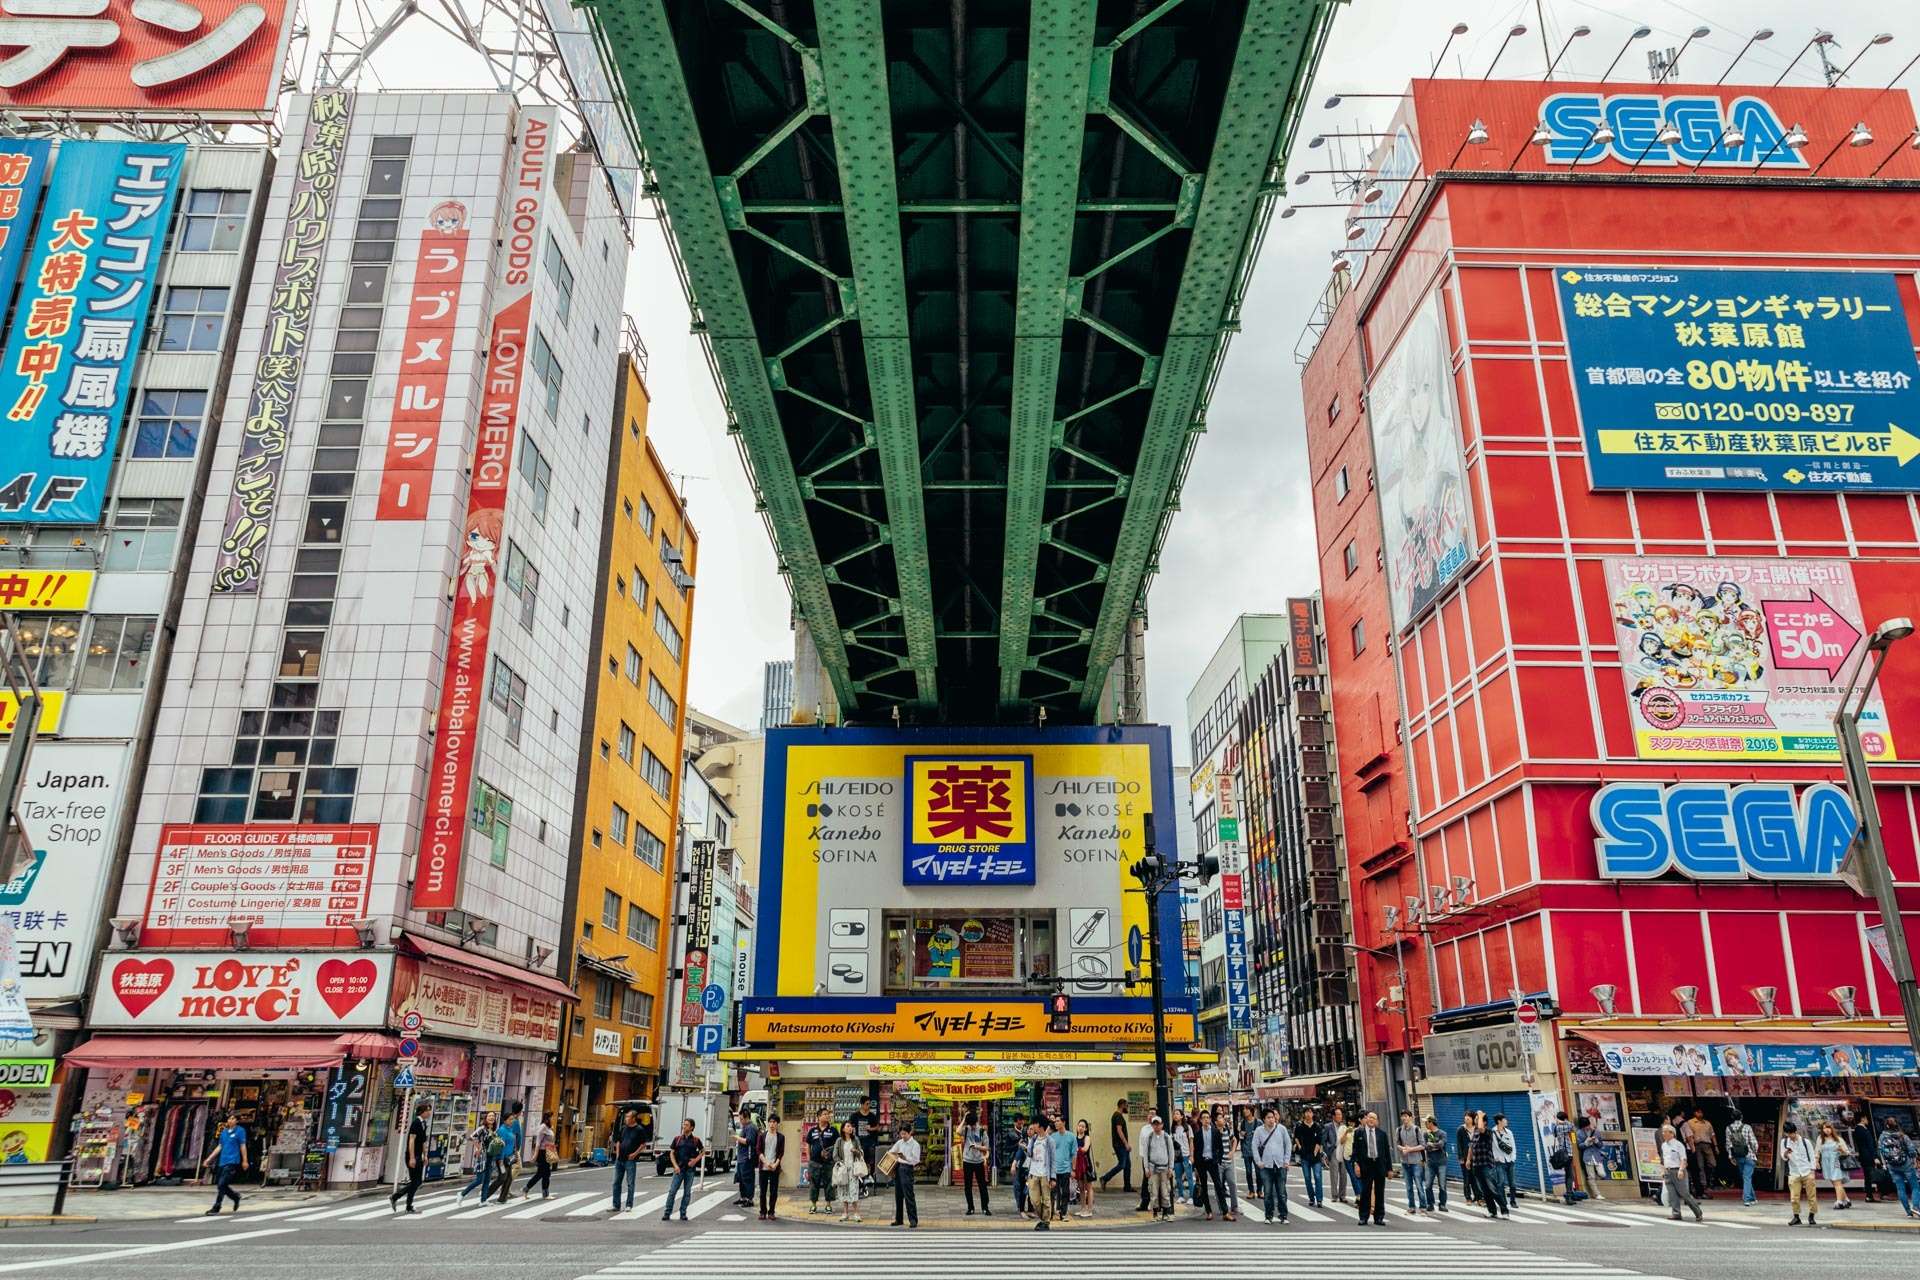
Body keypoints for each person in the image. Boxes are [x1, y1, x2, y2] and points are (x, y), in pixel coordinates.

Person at [201, 1111, 248, 1215]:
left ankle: (217, 1206)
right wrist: (209, 1159)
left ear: (237, 1121)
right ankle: (235, 1197)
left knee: (222, 1184)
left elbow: (242, 1146)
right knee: (221, 1185)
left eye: (233, 1119)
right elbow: (220, 1147)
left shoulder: (240, 1131)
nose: (230, 1120)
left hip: (233, 1160)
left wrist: (245, 1160)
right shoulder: (224, 1132)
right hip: (222, 1161)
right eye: (229, 1118)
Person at [1250, 1106, 1291, 1224]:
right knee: (1267, 1192)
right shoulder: (1259, 1131)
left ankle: (1283, 1216)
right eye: (1268, 1118)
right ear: (1264, 1119)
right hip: (1266, 1166)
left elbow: (1288, 1145)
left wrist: (1286, 1161)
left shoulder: (1281, 1129)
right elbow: (1254, 1146)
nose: (1271, 1120)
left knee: (1281, 1192)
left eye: (1272, 1117)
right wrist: (1258, 1162)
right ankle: (1269, 1216)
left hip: (1280, 1165)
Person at [1351, 1111, 1391, 1226]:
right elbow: (1355, 1151)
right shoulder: (1359, 1133)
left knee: (1379, 1192)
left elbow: (1386, 1153)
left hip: (1379, 1165)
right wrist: (1356, 1165)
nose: (1371, 1120)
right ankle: (1363, 1217)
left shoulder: (1382, 1134)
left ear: (1377, 1121)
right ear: (1366, 1119)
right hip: (1366, 1165)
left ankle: (1379, 1217)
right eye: (1369, 1117)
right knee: (1365, 1191)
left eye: (1374, 1118)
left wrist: (1389, 1169)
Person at [390, 1100, 431, 1213]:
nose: (429, 1112)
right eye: (428, 1110)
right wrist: (412, 1157)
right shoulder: (416, 1123)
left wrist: (425, 1155)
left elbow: (423, 1141)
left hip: (419, 1155)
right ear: (422, 1112)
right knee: (415, 1182)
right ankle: (396, 1197)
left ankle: (407, 1205)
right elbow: (411, 1141)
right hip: (412, 1155)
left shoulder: (423, 1124)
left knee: (417, 1182)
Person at [660, 1118, 704, 1221]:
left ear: (692, 1127)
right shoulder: (677, 1139)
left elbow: (703, 1151)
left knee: (687, 1192)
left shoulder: (696, 1140)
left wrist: (695, 1161)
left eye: (686, 1125)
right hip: (679, 1169)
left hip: (690, 1170)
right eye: (683, 1125)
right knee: (672, 1191)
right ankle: (667, 1213)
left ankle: (683, 1213)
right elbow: (671, 1153)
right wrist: (675, 1166)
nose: (684, 1127)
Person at [1660, 1123, 1704, 1222]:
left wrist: (1681, 1170)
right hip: (1668, 1171)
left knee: (1684, 1194)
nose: (1663, 1134)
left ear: (1672, 1133)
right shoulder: (1663, 1145)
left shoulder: (1678, 1145)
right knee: (1672, 1195)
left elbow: (1683, 1159)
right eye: (1663, 1132)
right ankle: (1676, 1213)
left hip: (1678, 1171)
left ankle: (1698, 1212)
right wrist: (1662, 1170)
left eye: (1665, 1132)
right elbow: (1663, 1159)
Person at [1877, 1115, 1918, 1219]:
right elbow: (1912, 1150)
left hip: (1892, 1166)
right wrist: (1914, 1160)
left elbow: (1880, 1150)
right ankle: (1916, 1207)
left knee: (1900, 1188)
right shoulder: (1902, 1136)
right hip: (1906, 1164)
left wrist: (1885, 1163)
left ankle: (1908, 1212)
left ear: (1886, 1125)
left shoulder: (1882, 1137)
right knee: (1915, 1186)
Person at [1192, 1109, 1229, 1220]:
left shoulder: (1215, 1132)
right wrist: (1196, 1167)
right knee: (1204, 1187)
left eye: (1208, 1118)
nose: (1206, 1120)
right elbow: (1196, 1150)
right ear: (1200, 1120)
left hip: (1212, 1162)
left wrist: (1219, 1160)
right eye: (1203, 1118)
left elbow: (1220, 1148)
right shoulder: (1197, 1134)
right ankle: (1208, 1211)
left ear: (1210, 1119)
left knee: (1218, 1186)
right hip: (1202, 1162)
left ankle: (1225, 1212)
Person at [1781, 1120, 1818, 1225]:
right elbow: (1783, 1158)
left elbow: (1812, 1157)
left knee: (1811, 1196)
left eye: (1791, 1133)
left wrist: (1812, 1172)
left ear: (1795, 1131)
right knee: (1794, 1197)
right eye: (1787, 1133)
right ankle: (1796, 1217)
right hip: (1794, 1172)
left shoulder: (1806, 1142)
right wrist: (1786, 1153)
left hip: (1807, 1171)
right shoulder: (1784, 1142)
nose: (1790, 1135)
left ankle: (1811, 1216)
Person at [1470, 1113, 1506, 1219]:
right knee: (1485, 1191)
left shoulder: (1488, 1131)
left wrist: (1480, 1115)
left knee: (1492, 1189)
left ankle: (1504, 1210)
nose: (1475, 1120)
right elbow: (1471, 1146)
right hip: (1477, 1164)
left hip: (1486, 1164)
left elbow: (1481, 1128)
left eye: (1477, 1119)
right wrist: (1468, 1160)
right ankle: (1492, 1211)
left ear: (1484, 1122)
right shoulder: (1474, 1132)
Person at [459, 1112, 500, 1205]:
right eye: (489, 1116)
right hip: (482, 1157)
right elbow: (471, 1137)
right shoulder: (482, 1129)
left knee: (487, 1179)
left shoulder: (493, 1130)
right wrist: (478, 1147)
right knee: (480, 1179)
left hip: (490, 1156)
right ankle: (462, 1194)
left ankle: (483, 1200)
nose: (491, 1118)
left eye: (493, 1116)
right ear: (486, 1118)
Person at [885, 1121, 921, 1228]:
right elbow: (891, 1151)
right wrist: (895, 1155)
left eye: (905, 1133)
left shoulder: (915, 1145)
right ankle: (899, 1219)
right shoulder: (900, 1142)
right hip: (898, 1168)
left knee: (909, 1195)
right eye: (901, 1134)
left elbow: (915, 1160)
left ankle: (913, 1220)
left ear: (910, 1133)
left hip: (907, 1169)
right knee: (898, 1195)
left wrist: (905, 1158)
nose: (903, 1136)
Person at [1142, 1113, 1177, 1220]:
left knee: (1165, 1190)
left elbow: (1171, 1153)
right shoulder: (1149, 1137)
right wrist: (1146, 1168)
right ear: (1152, 1125)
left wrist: (1171, 1168)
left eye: (1158, 1124)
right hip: (1153, 1168)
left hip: (1165, 1168)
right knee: (1153, 1191)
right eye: (1154, 1124)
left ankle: (1165, 1213)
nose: (1156, 1126)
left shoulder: (1167, 1137)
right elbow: (1145, 1153)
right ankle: (1155, 1213)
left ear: (1162, 1125)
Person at [833, 1119, 868, 1222]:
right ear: (843, 1129)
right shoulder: (839, 1141)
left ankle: (856, 1213)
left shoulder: (855, 1140)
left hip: (853, 1169)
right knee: (844, 1190)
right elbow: (835, 1155)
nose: (850, 1128)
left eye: (851, 1126)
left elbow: (861, 1153)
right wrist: (840, 1163)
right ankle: (845, 1213)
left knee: (853, 1190)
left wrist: (856, 1151)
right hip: (843, 1169)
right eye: (848, 1126)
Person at [1022, 1120, 1053, 1229]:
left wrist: (1053, 1177)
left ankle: (1045, 1222)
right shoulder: (1034, 1139)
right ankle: (1043, 1219)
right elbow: (1030, 1154)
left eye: (1035, 1124)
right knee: (1034, 1200)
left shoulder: (1049, 1141)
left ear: (1040, 1126)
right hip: (1033, 1173)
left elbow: (1053, 1160)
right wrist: (1027, 1146)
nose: (1033, 1126)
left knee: (1046, 1199)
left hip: (1045, 1174)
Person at [960, 1106, 991, 1215]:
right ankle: (970, 1207)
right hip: (967, 1161)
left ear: (976, 1122)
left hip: (978, 1161)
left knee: (982, 1184)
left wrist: (977, 1147)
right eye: (970, 1125)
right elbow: (958, 1131)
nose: (972, 1127)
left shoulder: (982, 1131)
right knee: (967, 1185)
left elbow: (986, 1148)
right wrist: (964, 1118)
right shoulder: (966, 1129)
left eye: (973, 1125)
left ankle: (985, 1207)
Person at [806, 1107, 837, 1215]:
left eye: (828, 1114)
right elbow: (808, 1145)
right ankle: (813, 1205)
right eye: (824, 1114)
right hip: (814, 1163)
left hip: (828, 1163)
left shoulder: (833, 1131)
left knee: (829, 1184)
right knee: (814, 1184)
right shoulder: (812, 1131)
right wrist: (809, 1159)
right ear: (819, 1117)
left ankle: (828, 1205)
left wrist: (832, 1155)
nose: (827, 1116)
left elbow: (836, 1146)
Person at [1724, 1112, 1759, 1206]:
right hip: (1749, 1155)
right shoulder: (1747, 1127)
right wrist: (1755, 1152)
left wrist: (1731, 1156)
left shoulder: (1728, 1128)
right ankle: (1747, 1199)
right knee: (1747, 1177)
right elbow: (1753, 1142)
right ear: (1741, 1117)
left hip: (1738, 1156)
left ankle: (1753, 1198)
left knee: (1745, 1177)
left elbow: (1728, 1144)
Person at [1817, 1121, 1854, 1209]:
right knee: (1835, 1182)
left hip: (1836, 1162)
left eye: (1828, 1128)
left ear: (1832, 1128)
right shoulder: (1820, 1139)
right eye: (1825, 1128)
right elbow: (1817, 1150)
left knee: (1837, 1182)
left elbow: (1847, 1152)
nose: (1827, 1130)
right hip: (1826, 1163)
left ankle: (1839, 1202)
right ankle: (1847, 1200)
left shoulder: (1838, 1139)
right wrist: (1816, 1161)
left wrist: (1842, 1150)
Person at [1682, 1107, 1717, 1199]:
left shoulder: (1707, 1123)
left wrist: (1716, 1146)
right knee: (1700, 1165)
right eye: (1698, 1112)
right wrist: (1692, 1146)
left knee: (1712, 1163)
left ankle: (1710, 1180)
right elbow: (1689, 1136)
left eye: (1701, 1112)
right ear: (1695, 1113)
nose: (1700, 1114)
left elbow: (1712, 1135)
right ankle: (1703, 1184)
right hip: (1697, 1145)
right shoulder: (1690, 1123)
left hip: (1707, 1144)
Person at [520, 1113, 557, 1199]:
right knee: (546, 1173)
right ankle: (545, 1194)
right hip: (542, 1152)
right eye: (552, 1117)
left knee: (541, 1173)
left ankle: (526, 1189)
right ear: (547, 1118)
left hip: (548, 1151)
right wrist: (535, 1154)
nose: (553, 1118)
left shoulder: (548, 1127)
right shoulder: (543, 1127)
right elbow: (538, 1142)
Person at [492, 1102, 523, 1203]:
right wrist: (514, 1150)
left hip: (511, 1153)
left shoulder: (512, 1124)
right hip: (506, 1154)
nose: (511, 1121)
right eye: (509, 1120)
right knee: (505, 1176)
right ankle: (490, 1193)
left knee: (508, 1176)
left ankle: (503, 1196)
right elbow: (506, 1141)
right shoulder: (507, 1127)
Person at [1395, 1109, 1425, 1214]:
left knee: (1419, 1185)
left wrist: (1410, 1149)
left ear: (1410, 1118)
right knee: (1408, 1186)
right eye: (1402, 1116)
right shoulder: (1399, 1130)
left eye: (1406, 1116)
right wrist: (1402, 1148)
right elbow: (1397, 1144)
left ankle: (1423, 1207)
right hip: (1405, 1162)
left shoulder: (1417, 1129)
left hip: (1416, 1162)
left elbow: (1423, 1145)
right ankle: (1411, 1207)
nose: (1404, 1118)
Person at [1101, 1097, 1133, 1192]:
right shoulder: (1118, 1116)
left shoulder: (1117, 1116)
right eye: (1126, 1106)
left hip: (1120, 1144)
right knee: (1122, 1165)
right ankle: (1105, 1178)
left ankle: (1127, 1186)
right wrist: (1126, 1144)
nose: (1127, 1108)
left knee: (1127, 1165)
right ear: (1122, 1105)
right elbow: (1119, 1131)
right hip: (1120, 1145)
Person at [1848, 1108, 1879, 1205]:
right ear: (1862, 1119)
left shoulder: (1856, 1129)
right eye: (1866, 1118)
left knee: (1867, 1176)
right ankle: (1871, 1195)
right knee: (1870, 1176)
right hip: (1868, 1156)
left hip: (1863, 1155)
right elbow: (1869, 1144)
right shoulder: (1863, 1130)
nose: (1867, 1120)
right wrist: (1875, 1157)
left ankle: (1869, 1195)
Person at [1488, 1113, 1519, 1212]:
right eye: (1505, 1120)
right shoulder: (1492, 1132)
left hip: (1510, 1160)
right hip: (1499, 1161)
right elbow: (1492, 1147)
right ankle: (1503, 1202)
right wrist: (1495, 1158)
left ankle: (1513, 1201)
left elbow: (1513, 1145)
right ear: (1499, 1121)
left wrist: (1513, 1158)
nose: (1506, 1121)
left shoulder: (1509, 1132)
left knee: (1512, 1182)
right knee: (1500, 1183)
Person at [1293, 1106, 1324, 1206]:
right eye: (1306, 1112)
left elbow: (1319, 1140)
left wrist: (1316, 1150)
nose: (1308, 1114)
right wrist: (1299, 1146)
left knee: (1318, 1176)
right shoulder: (1300, 1126)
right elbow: (1296, 1137)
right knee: (1307, 1177)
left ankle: (1319, 1199)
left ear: (1313, 1114)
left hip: (1315, 1156)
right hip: (1304, 1155)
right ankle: (1311, 1197)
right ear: (1304, 1114)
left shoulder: (1317, 1126)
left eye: (1310, 1112)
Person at [758, 1115, 786, 1220]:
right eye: (770, 1122)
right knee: (763, 1191)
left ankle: (771, 1212)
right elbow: (759, 1150)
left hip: (775, 1167)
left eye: (774, 1122)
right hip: (764, 1167)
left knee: (774, 1191)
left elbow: (781, 1153)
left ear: (777, 1124)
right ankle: (762, 1212)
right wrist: (766, 1163)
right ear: (767, 1123)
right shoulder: (762, 1136)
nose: (772, 1124)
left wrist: (775, 1164)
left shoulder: (781, 1137)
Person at [1049, 1115, 1076, 1219]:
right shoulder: (1052, 1137)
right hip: (1054, 1169)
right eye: (1055, 1121)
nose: (1055, 1123)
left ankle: (1063, 1212)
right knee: (1053, 1192)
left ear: (1064, 1123)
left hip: (1066, 1168)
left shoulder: (1071, 1136)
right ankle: (1052, 1212)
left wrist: (1073, 1169)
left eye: (1058, 1121)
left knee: (1065, 1192)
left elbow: (1074, 1154)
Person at [1421, 1115, 1449, 1213]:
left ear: (1431, 1122)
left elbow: (1441, 1144)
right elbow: (1425, 1146)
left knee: (1442, 1184)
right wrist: (1433, 1146)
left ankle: (1442, 1204)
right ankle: (1430, 1204)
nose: (1425, 1124)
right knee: (1428, 1184)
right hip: (1430, 1162)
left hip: (1441, 1162)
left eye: (1426, 1122)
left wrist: (1432, 1145)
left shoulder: (1442, 1133)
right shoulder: (1425, 1134)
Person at [734, 1111, 761, 1206]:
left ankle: (749, 1199)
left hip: (748, 1157)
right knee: (741, 1178)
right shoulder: (745, 1127)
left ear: (746, 1118)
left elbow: (749, 1141)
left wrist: (737, 1138)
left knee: (747, 1179)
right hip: (742, 1157)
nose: (740, 1121)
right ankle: (743, 1197)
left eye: (741, 1119)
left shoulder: (751, 1127)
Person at [1327, 1106, 1351, 1204]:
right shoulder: (1328, 1126)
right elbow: (1324, 1140)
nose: (1340, 1116)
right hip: (1334, 1151)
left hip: (1343, 1151)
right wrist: (1328, 1150)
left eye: (1341, 1114)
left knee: (1343, 1175)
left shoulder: (1344, 1127)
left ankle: (1343, 1195)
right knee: (1334, 1174)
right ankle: (1334, 1195)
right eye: (1337, 1114)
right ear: (1333, 1116)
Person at [1074, 1118, 1097, 1219]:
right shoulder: (1075, 1138)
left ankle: (1090, 1209)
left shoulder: (1087, 1138)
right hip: (1078, 1166)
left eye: (1083, 1126)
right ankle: (1083, 1208)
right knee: (1081, 1188)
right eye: (1079, 1126)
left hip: (1086, 1165)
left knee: (1089, 1187)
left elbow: (1085, 1149)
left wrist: (1076, 1149)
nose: (1081, 1128)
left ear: (1086, 1128)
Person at [1170, 1110, 1194, 1205]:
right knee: (1178, 1177)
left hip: (1186, 1155)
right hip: (1177, 1156)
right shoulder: (1173, 1128)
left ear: (1182, 1116)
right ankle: (1181, 1196)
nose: (1175, 1116)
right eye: (1174, 1114)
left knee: (1189, 1177)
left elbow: (1191, 1142)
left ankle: (1191, 1197)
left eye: (1177, 1114)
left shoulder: (1187, 1128)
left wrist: (1191, 1155)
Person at [853, 1096, 880, 1174]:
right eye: (867, 1104)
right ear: (862, 1104)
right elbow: (850, 1126)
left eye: (869, 1104)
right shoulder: (855, 1115)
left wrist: (871, 1129)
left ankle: (870, 1176)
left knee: (870, 1161)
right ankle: (861, 1177)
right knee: (860, 1161)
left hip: (870, 1143)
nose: (869, 1106)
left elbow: (877, 1127)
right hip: (859, 1143)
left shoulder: (872, 1116)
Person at [1455, 1112, 1478, 1204]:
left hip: (1476, 1157)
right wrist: (1460, 1158)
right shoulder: (1461, 1129)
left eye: (1468, 1118)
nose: (1466, 1119)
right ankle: (1468, 1197)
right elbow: (1459, 1144)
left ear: (1473, 1119)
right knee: (1467, 1178)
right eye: (1465, 1118)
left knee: (1476, 1178)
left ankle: (1478, 1197)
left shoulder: (1476, 1129)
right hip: (1465, 1157)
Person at [1011, 1112, 1031, 1216]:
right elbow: (1007, 1148)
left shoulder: (1027, 1134)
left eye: (1022, 1121)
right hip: (1016, 1162)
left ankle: (1030, 1207)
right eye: (1019, 1122)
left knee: (1028, 1186)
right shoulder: (1011, 1133)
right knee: (1018, 1185)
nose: (1021, 1124)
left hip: (1026, 1163)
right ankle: (1020, 1206)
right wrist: (1017, 1145)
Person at [1239, 1106, 1260, 1196]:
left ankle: (1259, 1190)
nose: (1245, 1111)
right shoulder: (1243, 1123)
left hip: (1257, 1151)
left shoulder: (1258, 1122)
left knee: (1258, 1172)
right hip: (1246, 1150)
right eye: (1244, 1109)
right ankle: (1251, 1191)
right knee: (1248, 1172)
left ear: (1251, 1111)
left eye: (1247, 1109)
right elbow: (1240, 1136)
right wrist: (1241, 1134)